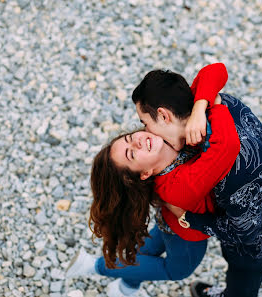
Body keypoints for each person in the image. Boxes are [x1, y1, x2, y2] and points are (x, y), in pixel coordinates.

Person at [66, 64, 231, 297]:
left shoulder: (165, 140)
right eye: (132, 153)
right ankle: (94, 266)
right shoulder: (176, 183)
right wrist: (216, 105)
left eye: (133, 136)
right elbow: (226, 147)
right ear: (143, 173)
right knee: (176, 271)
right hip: (186, 234)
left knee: (144, 252)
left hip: (167, 221)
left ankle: (126, 288)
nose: (140, 140)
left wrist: (199, 107)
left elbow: (216, 70)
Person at [130, 65, 262, 297]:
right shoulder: (221, 104)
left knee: (242, 280)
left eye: (146, 123)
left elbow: (243, 231)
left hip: (257, 241)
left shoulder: (230, 168)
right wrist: (202, 105)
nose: (148, 132)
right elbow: (215, 71)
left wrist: (189, 219)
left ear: (164, 115)